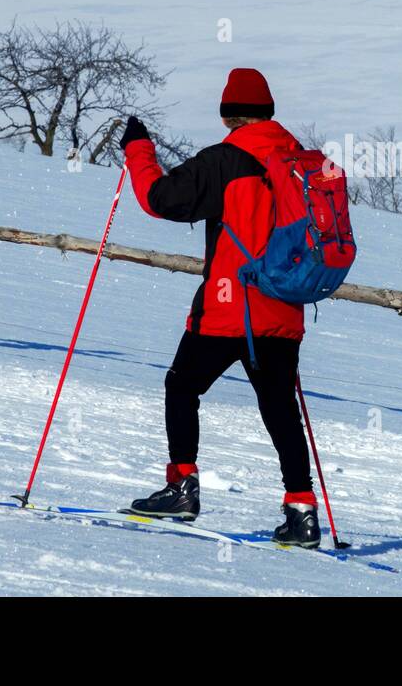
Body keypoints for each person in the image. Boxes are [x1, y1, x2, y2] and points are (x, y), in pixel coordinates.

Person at [118, 67, 320, 548]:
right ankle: (301, 512)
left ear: (228, 113)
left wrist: (137, 150)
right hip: (285, 306)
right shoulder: (303, 163)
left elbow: (158, 198)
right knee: (280, 409)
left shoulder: (224, 160)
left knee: (182, 385)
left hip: (230, 308)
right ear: (270, 112)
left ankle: (182, 487)